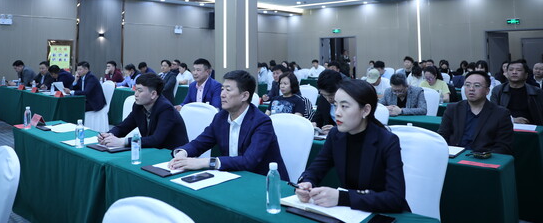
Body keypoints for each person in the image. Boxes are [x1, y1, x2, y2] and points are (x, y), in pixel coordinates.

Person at [296, 79, 410, 212]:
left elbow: (395, 199)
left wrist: (343, 198)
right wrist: (306, 183)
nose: (337, 112)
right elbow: (315, 169)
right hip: (352, 213)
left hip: (382, 213)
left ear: (365, 110)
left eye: (344, 106)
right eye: (335, 105)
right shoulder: (335, 135)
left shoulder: (387, 141)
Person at [168, 70, 289, 180]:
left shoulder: (261, 122)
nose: (222, 94)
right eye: (222, 89)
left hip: (264, 181)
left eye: (228, 90)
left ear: (244, 96)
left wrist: (204, 162)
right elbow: (200, 142)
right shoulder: (220, 117)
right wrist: (183, 152)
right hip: (233, 176)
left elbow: (249, 161)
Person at [97, 73, 188, 150]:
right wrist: (109, 135)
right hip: (152, 151)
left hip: (172, 154)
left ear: (153, 94)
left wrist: (123, 142)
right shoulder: (138, 106)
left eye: (139, 91)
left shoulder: (166, 109)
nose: (135, 94)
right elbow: (123, 127)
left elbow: (156, 139)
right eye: (135, 90)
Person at [438, 71, 513, 155]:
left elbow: (503, 147)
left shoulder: (501, 114)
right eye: (467, 85)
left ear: (487, 91)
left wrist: (483, 156)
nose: (471, 89)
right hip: (456, 156)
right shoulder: (452, 109)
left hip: (483, 159)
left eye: (477, 85)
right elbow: (442, 137)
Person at [491, 60, 543, 125]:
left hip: (531, 127)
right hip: (505, 125)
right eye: (511, 70)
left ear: (526, 75)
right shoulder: (498, 90)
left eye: (519, 70)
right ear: (506, 73)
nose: (514, 72)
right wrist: (512, 119)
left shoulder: (537, 92)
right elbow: (493, 112)